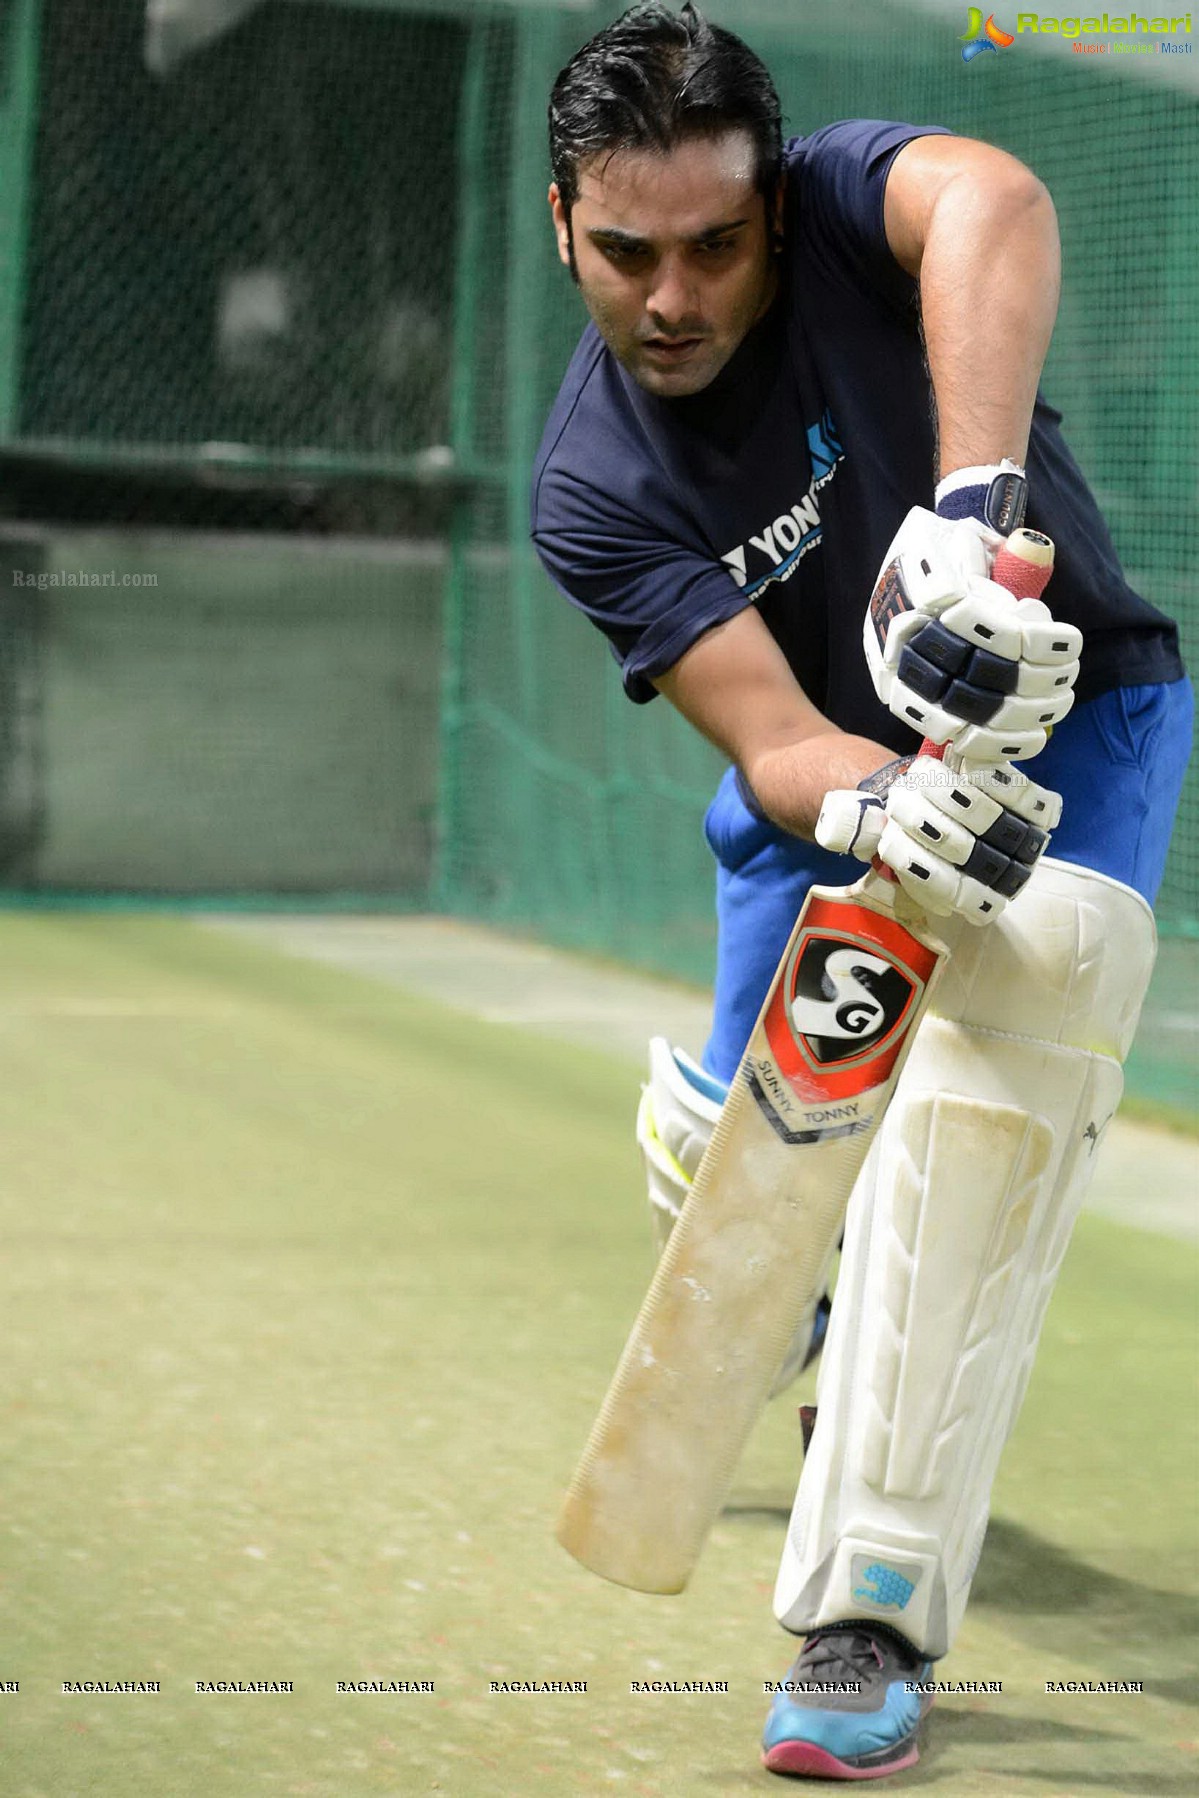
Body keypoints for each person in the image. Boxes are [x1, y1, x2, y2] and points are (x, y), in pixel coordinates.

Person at [532, 3, 1191, 1781]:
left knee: (981, 1141)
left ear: (771, 208)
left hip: (1087, 719)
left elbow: (993, 197)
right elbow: (765, 736)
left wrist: (973, 515)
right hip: (830, 791)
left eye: (714, 249)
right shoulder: (591, 486)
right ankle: (746, 1189)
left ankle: (866, 1614)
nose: (673, 297)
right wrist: (895, 800)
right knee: (784, 1153)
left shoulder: (836, 204)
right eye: (627, 253)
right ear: (561, 224)